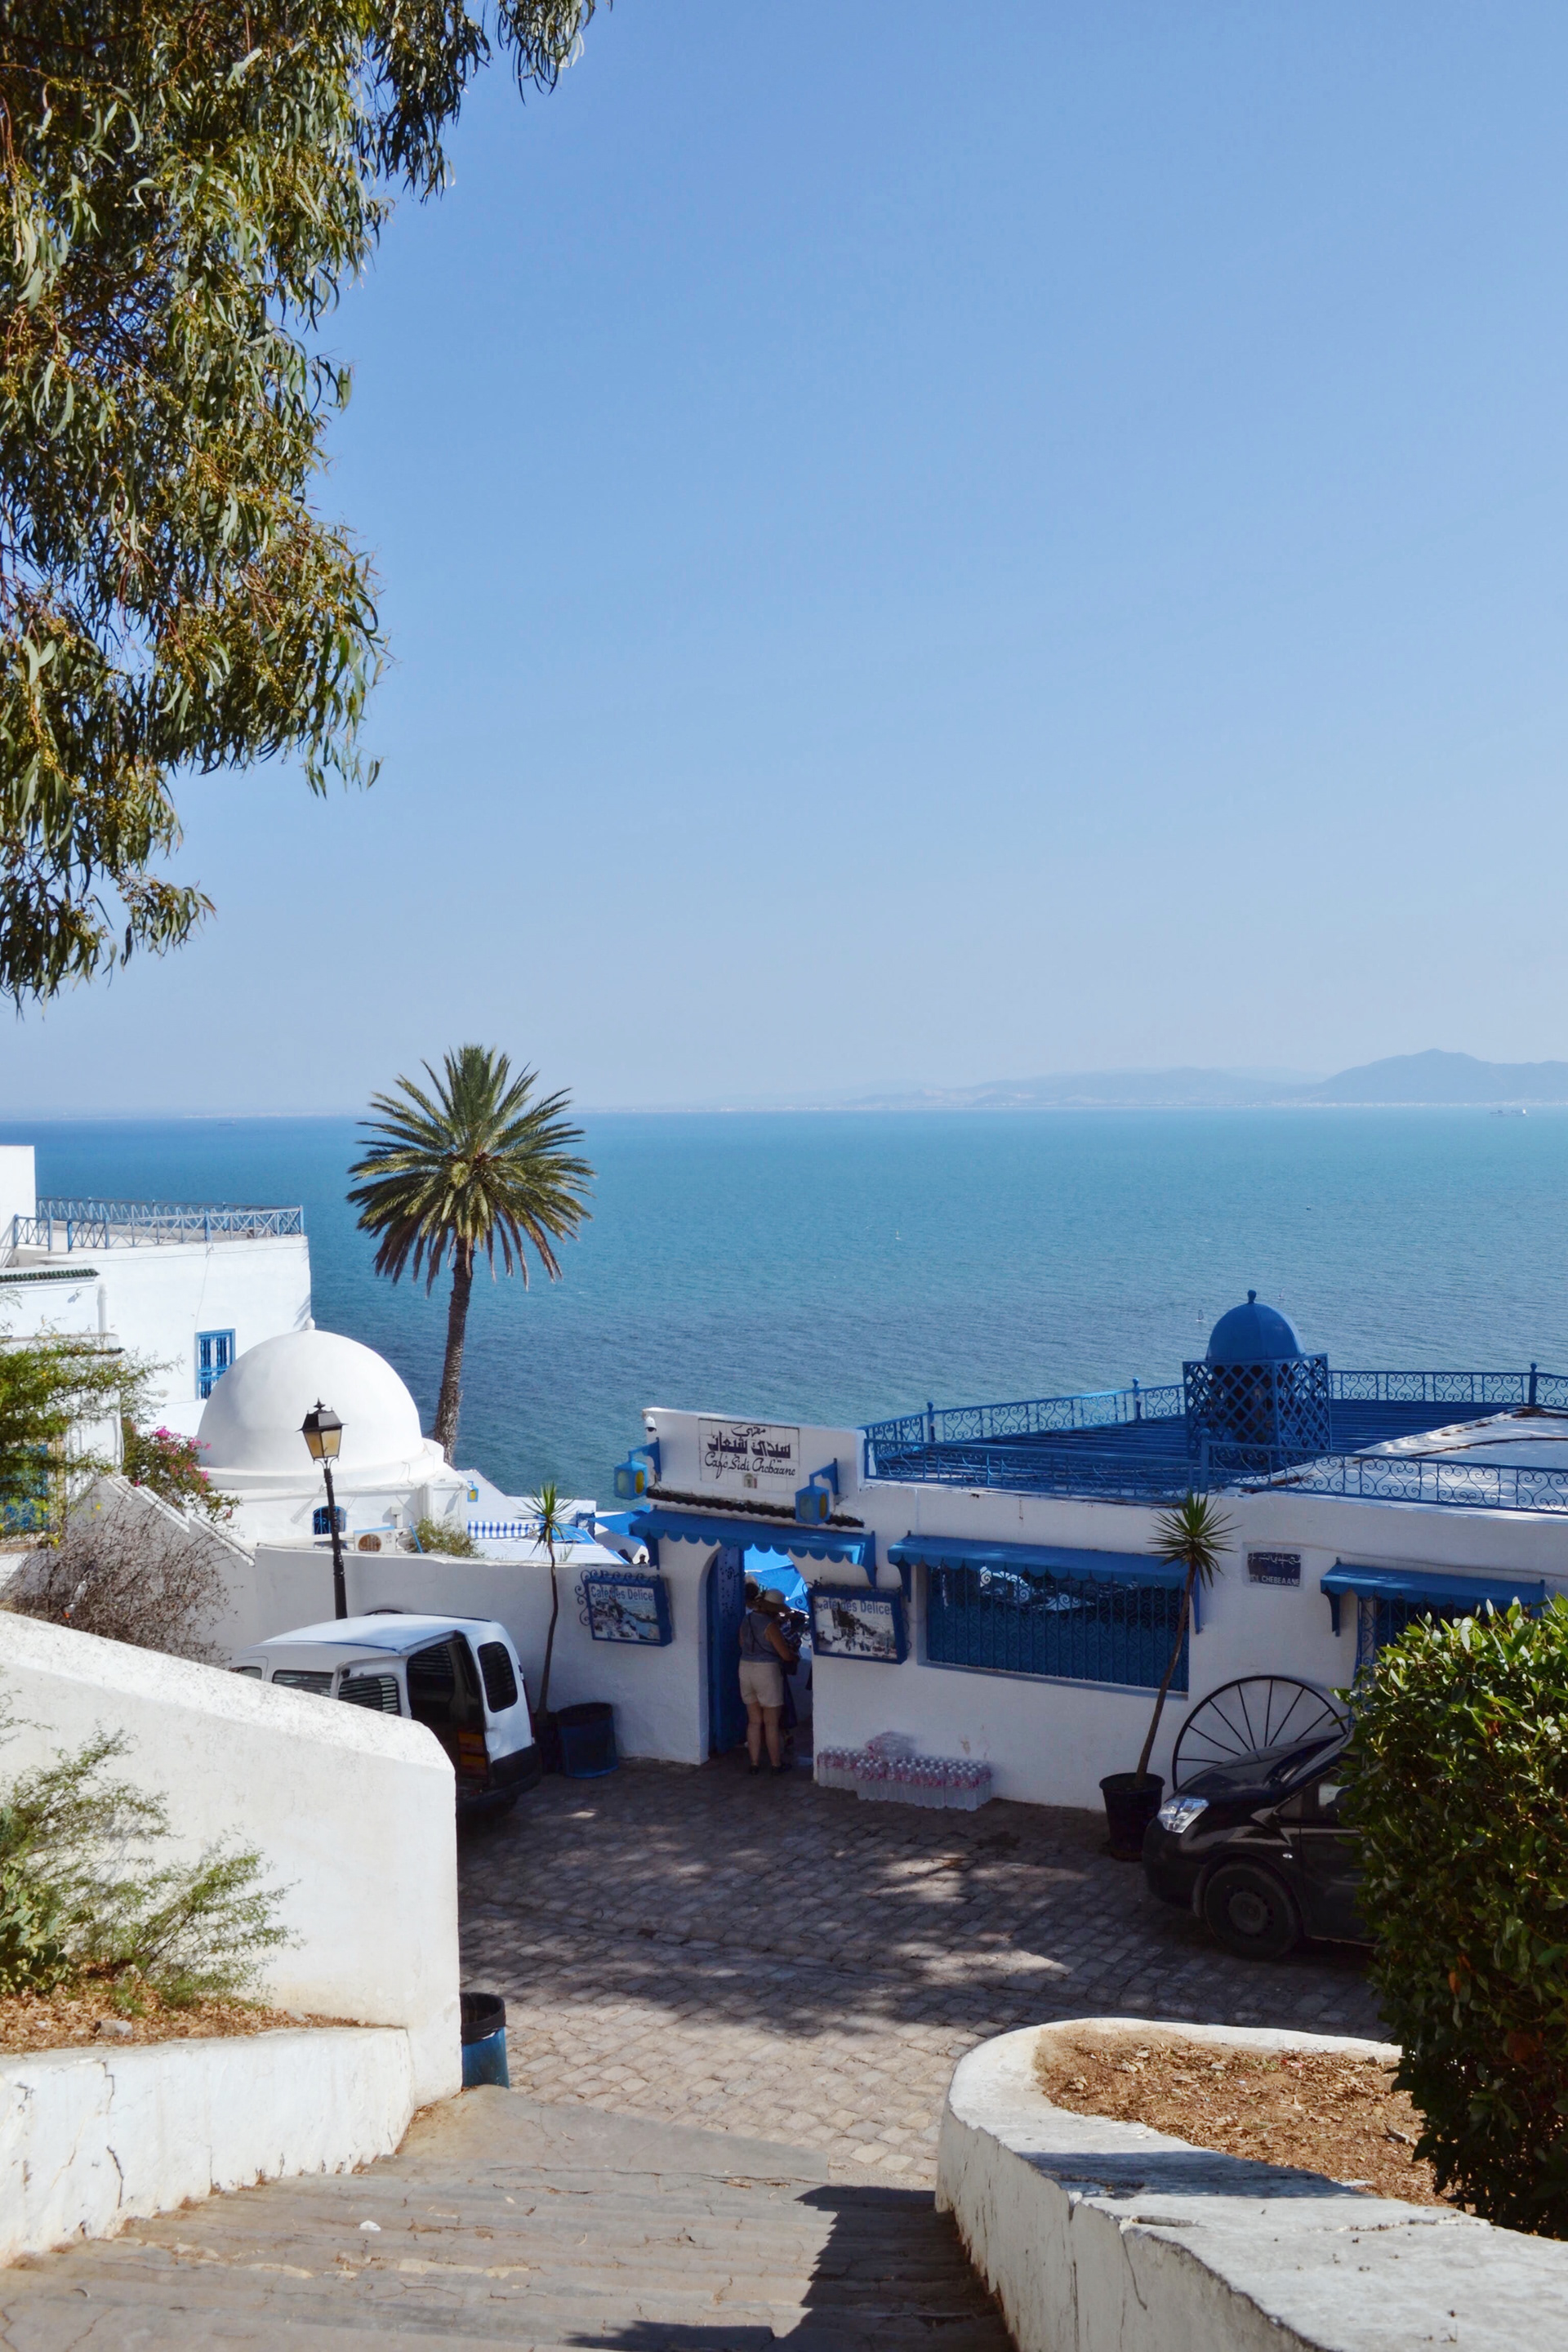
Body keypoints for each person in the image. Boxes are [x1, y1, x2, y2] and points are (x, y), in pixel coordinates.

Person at [738, 1587, 798, 1775]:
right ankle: (775, 1764)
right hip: (767, 1672)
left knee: (754, 1721)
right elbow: (785, 1654)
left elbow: (742, 1644)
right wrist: (793, 1657)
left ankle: (754, 1763)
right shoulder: (770, 1626)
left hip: (745, 1668)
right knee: (771, 1722)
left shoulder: (746, 1620)